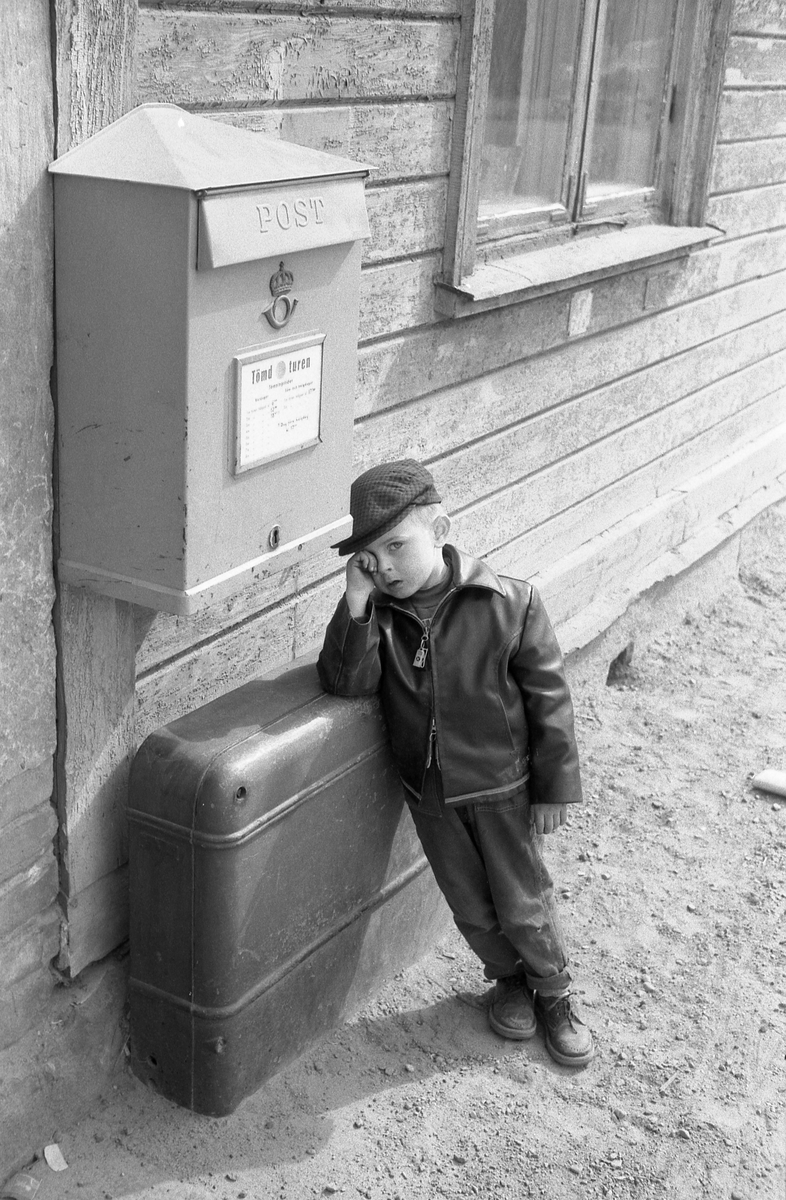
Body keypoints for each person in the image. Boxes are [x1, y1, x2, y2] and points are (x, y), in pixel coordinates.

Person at [317, 459, 594, 1066]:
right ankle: (508, 981)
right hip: (430, 792)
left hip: (503, 786)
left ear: (439, 528)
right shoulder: (380, 620)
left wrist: (553, 788)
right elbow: (345, 682)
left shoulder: (509, 602)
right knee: (468, 901)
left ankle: (554, 992)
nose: (384, 565)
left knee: (522, 898)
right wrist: (356, 604)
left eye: (396, 545)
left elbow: (550, 702)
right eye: (370, 555)